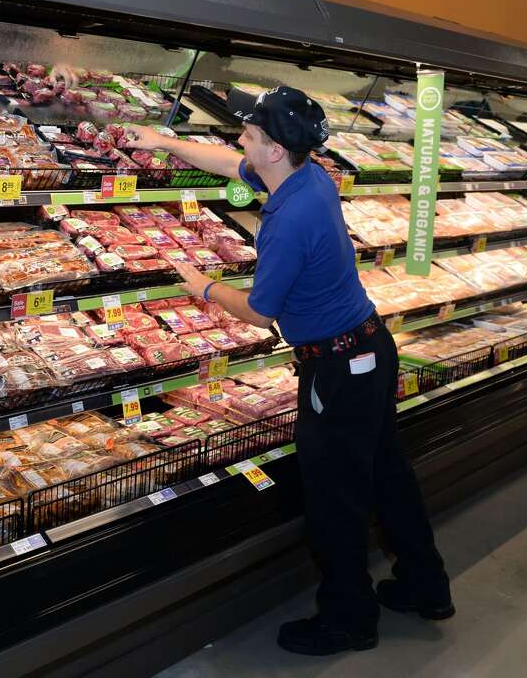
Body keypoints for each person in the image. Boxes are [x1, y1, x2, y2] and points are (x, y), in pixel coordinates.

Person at [125, 86, 453, 656]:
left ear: (276, 149)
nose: (239, 141)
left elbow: (258, 311)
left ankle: (348, 618)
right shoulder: (307, 177)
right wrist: (162, 142)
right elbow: (233, 164)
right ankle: (426, 587)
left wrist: (203, 286)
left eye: (249, 136)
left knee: (336, 499)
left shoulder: (289, 219)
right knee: (387, 476)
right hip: (368, 351)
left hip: (337, 369)